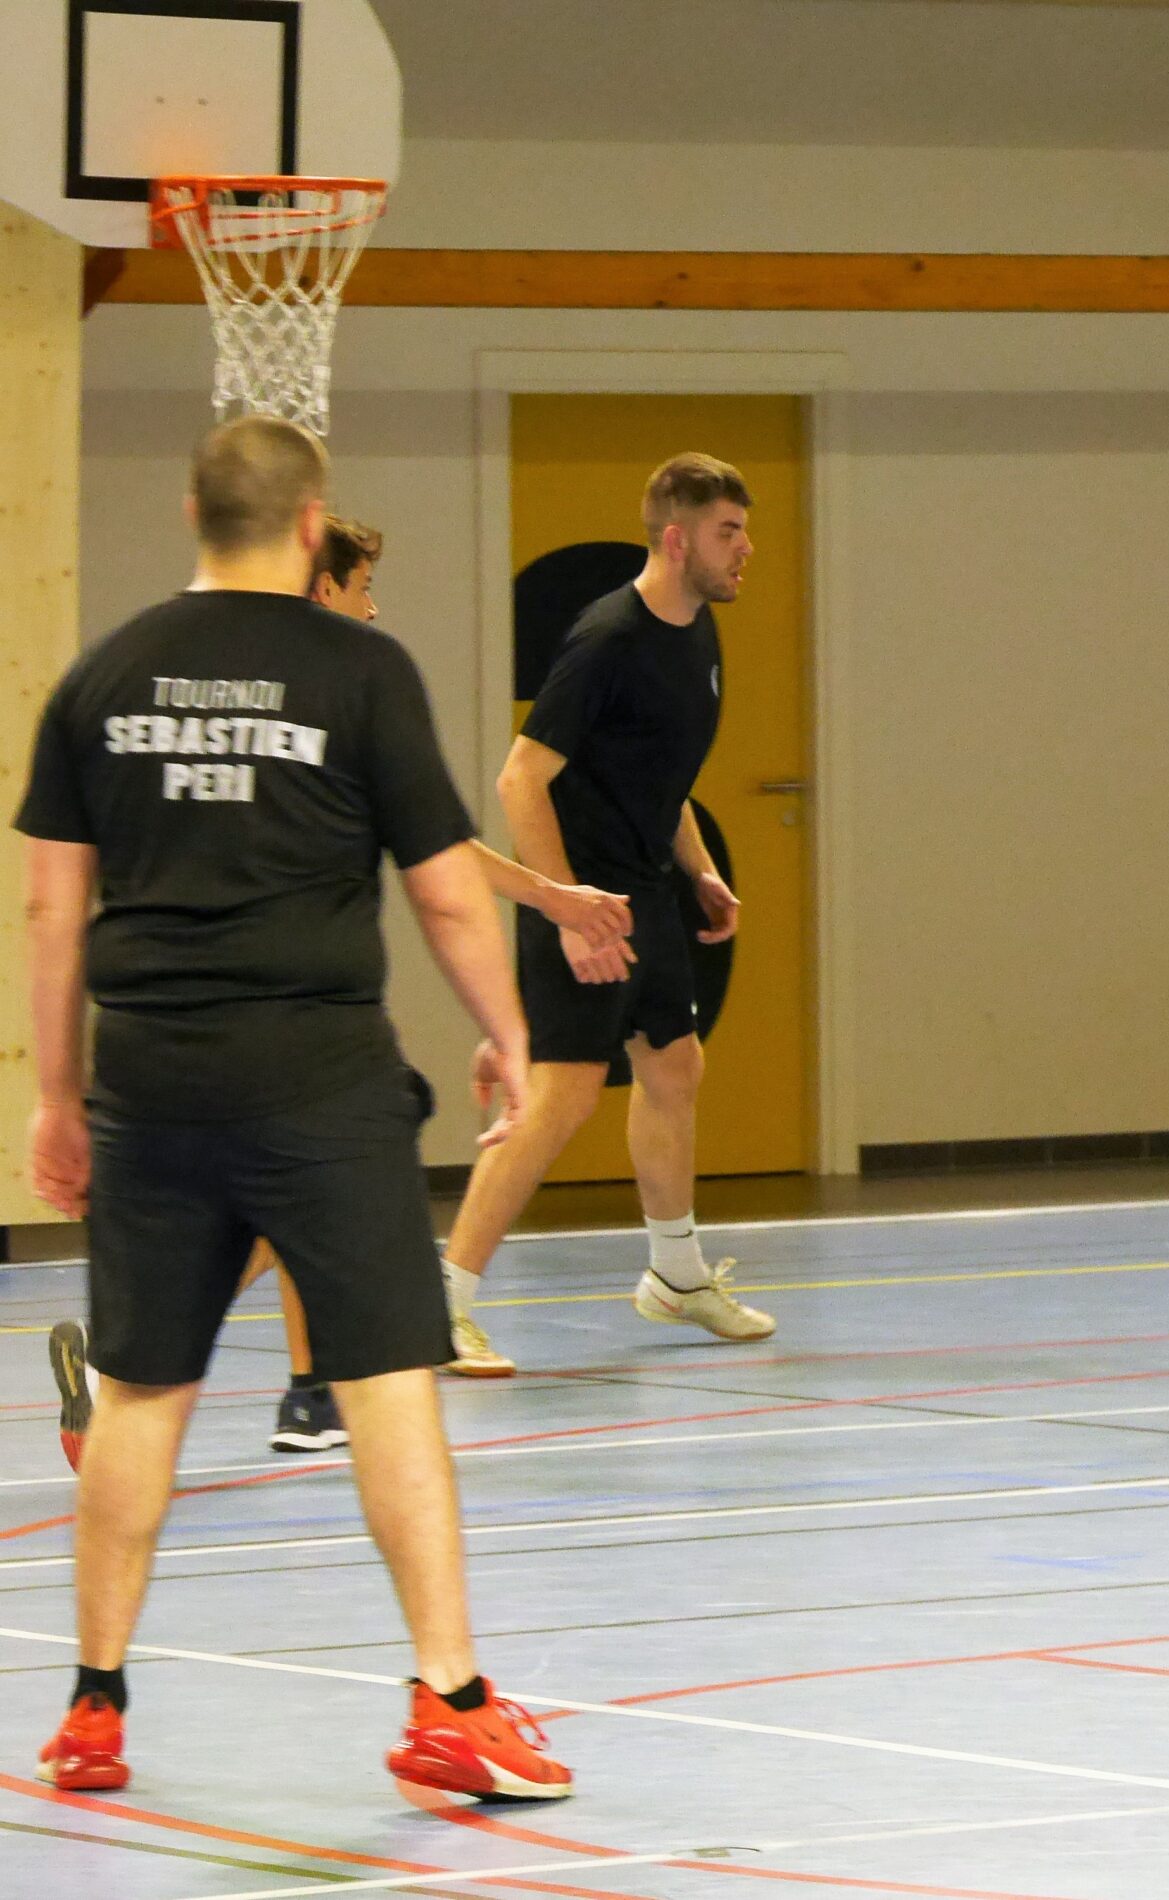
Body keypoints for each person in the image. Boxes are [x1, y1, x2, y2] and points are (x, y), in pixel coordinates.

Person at [18, 416, 572, 1798]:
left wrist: (54, 1097)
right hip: (318, 1079)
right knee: (388, 1378)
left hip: (149, 1078)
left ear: (191, 515)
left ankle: (93, 1709)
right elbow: (445, 889)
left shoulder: (98, 677)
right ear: (313, 522)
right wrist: (508, 1034)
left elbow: (49, 908)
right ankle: (450, 1699)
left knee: (143, 1392)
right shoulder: (363, 671)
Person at [238, 519, 634, 1451]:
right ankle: (121, 1360)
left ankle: (309, 1393)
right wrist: (548, 912)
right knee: (323, 1180)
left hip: (215, 993)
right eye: (364, 584)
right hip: (308, 991)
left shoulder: (231, 676)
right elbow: (443, 860)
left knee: (293, 1186)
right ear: (323, 586)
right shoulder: (352, 688)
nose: (374, 606)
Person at [436, 454, 771, 1378]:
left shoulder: (697, 632)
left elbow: (662, 782)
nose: (745, 550)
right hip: (586, 903)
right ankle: (446, 1302)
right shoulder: (608, 638)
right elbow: (521, 778)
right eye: (728, 533)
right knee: (561, 1098)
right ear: (677, 538)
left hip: (649, 898)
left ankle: (675, 1275)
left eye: (744, 530)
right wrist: (567, 910)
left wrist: (699, 871)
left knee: (675, 1066)